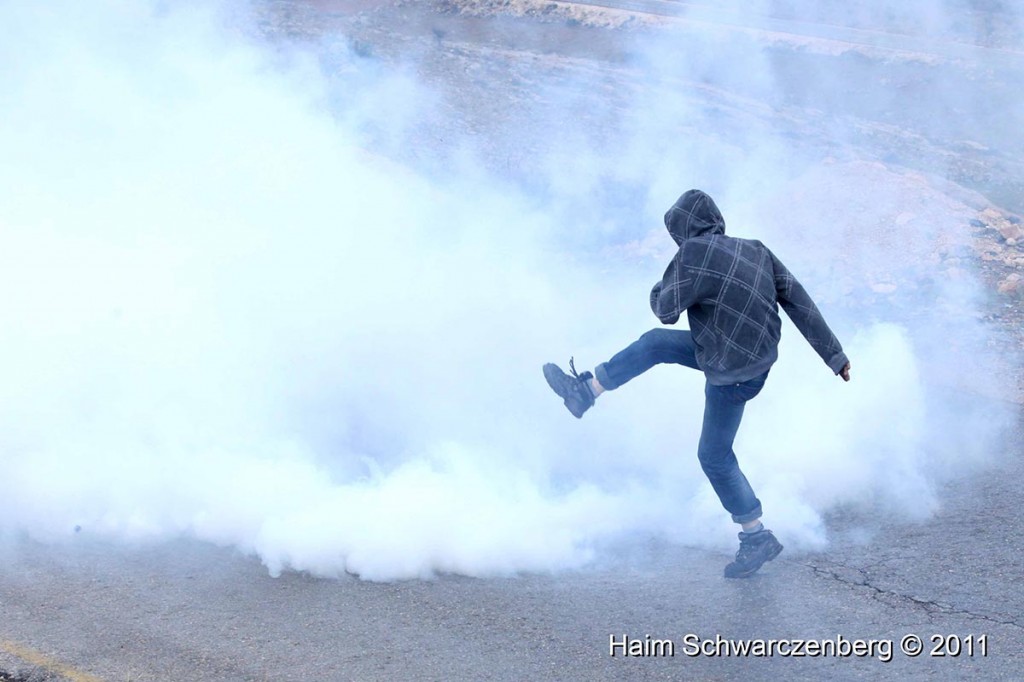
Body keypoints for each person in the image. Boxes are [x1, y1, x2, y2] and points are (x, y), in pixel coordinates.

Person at [543, 189, 851, 579]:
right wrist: (835, 356)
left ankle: (756, 536)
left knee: (714, 456)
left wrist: (666, 280)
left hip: (729, 371)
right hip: (755, 362)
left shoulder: (691, 255)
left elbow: (665, 309)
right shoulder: (755, 248)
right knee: (655, 344)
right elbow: (798, 300)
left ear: (682, 231)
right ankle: (586, 392)